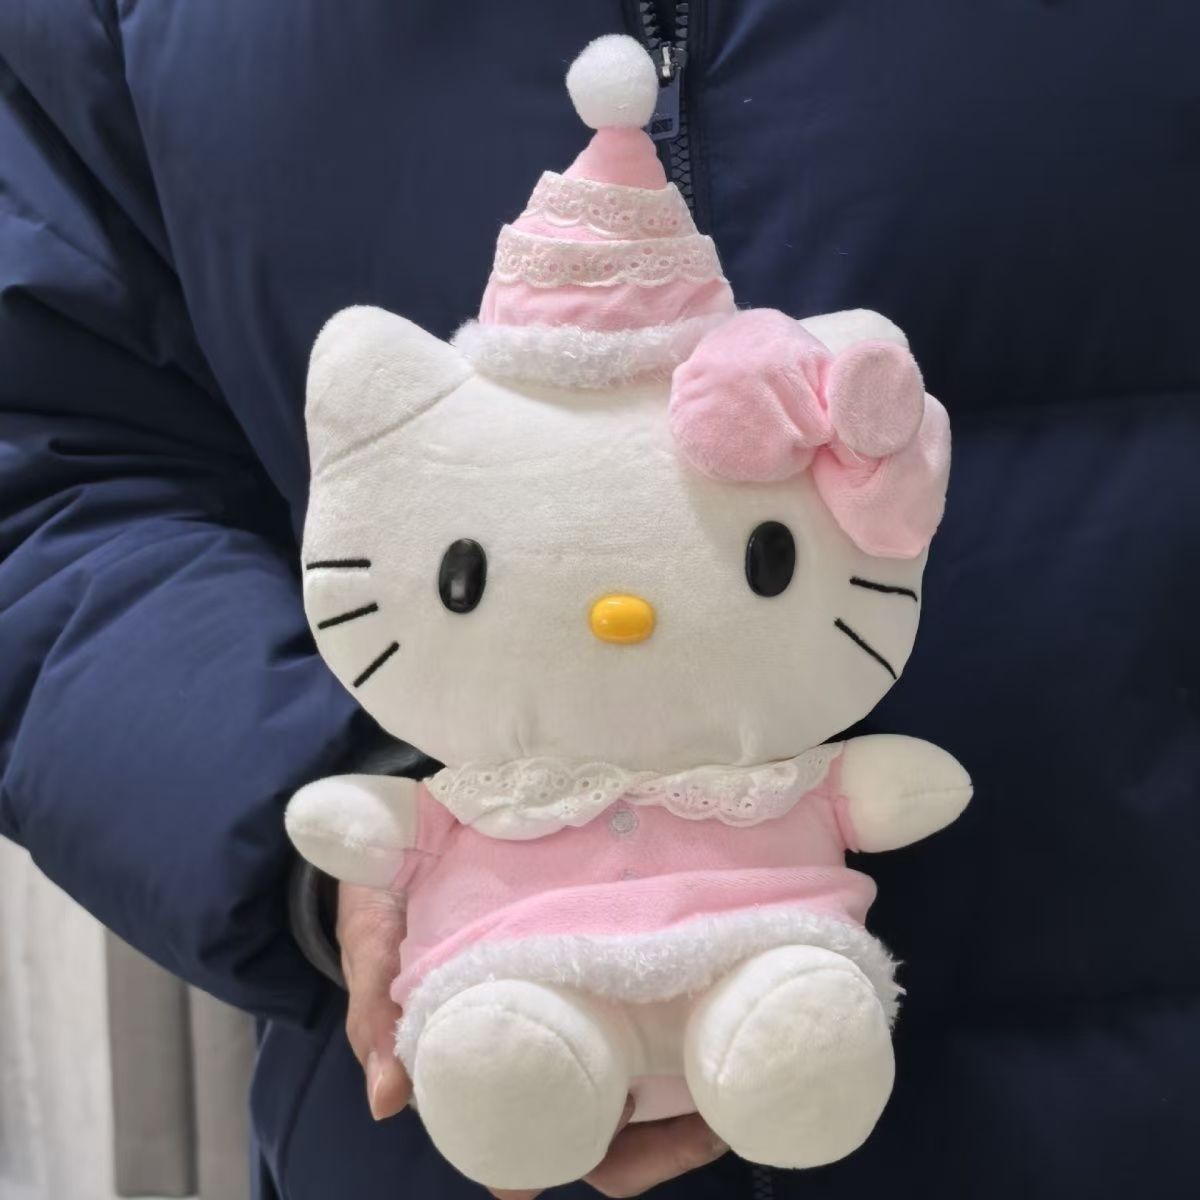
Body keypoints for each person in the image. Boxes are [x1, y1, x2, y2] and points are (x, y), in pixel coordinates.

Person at [1, 3, 1196, 1198]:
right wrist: (324, 831)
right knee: (515, 1060)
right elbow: (45, 477)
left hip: (1119, 1097)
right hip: (439, 1092)